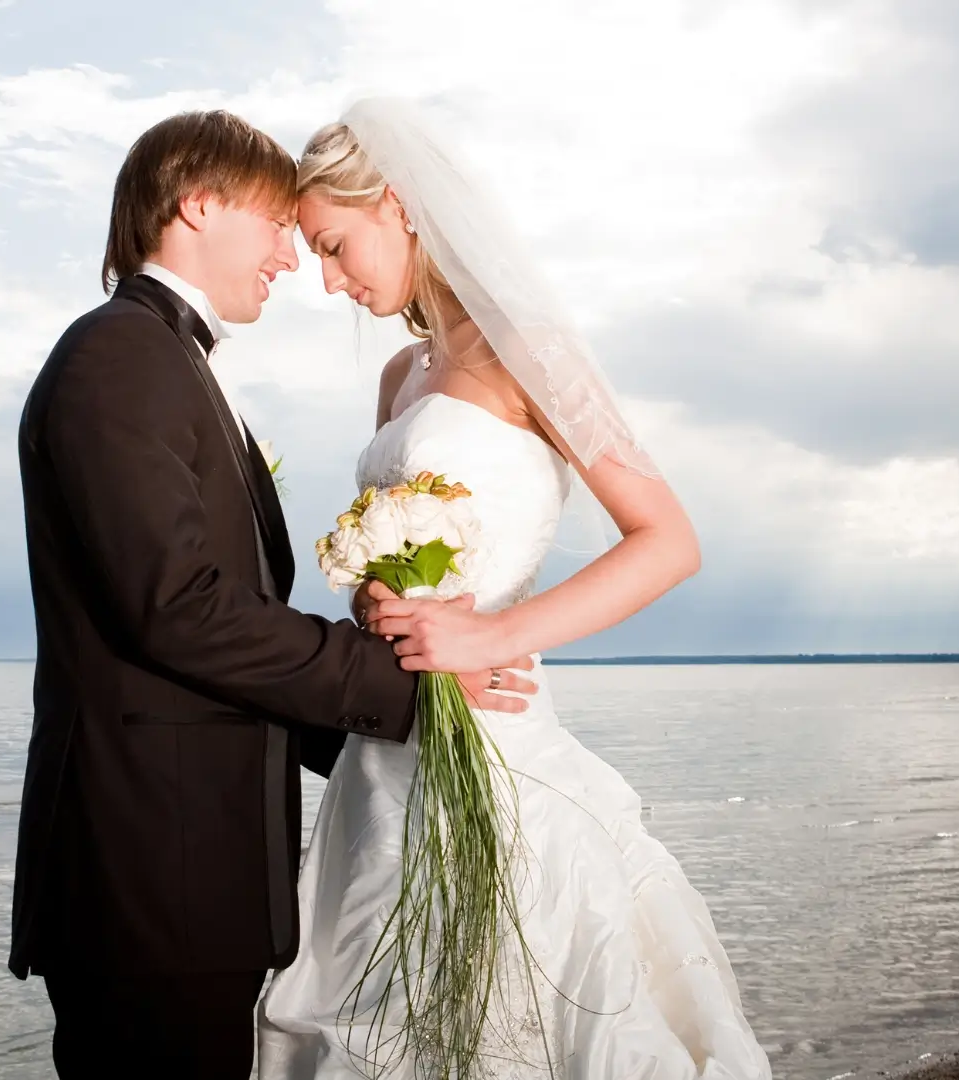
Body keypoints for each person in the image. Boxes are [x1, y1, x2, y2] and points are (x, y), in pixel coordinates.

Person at [9, 109, 536, 1080]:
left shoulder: (171, 362)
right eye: (275, 226)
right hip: (145, 877)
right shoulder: (119, 355)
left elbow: (220, 629)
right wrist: (403, 690)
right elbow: (180, 610)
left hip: (191, 878)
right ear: (198, 206)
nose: (292, 260)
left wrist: (396, 748)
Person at [256, 98, 775, 1079]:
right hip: (387, 753)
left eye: (333, 246)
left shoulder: (526, 350)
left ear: (397, 203)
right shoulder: (402, 376)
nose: (329, 281)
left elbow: (668, 542)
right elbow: (407, 554)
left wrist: (492, 637)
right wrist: (376, 602)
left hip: (495, 737)